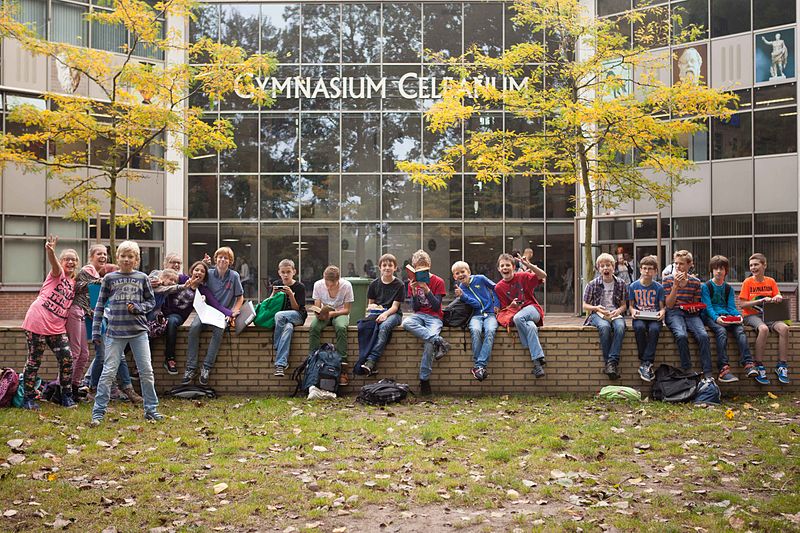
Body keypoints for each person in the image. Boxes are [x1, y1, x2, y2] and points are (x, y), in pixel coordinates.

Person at [90, 240, 163, 425]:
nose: (126, 259)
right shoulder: (109, 278)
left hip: (138, 332)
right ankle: (98, 413)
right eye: (123, 256)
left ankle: (151, 410)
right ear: (118, 257)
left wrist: (138, 308)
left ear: (136, 259)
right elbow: (99, 305)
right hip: (115, 332)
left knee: (146, 371)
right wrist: (96, 331)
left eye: (131, 256)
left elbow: (151, 302)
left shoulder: (142, 278)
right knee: (108, 372)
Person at [20, 236, 77, 410]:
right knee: (34, 360)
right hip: (37, 321)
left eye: (74, 259)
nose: (70, 262)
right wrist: (50, 252)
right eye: (67, 259)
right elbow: (54, 264)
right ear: (61, 262)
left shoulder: (74, 283)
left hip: (57, 327)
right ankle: (27, 399)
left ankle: (65, 396)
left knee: (67, 358)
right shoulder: (57, 274)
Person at [183, 247, 244, 386]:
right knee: (194, 327)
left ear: (230, 261)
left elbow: (240, 297)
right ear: (215, 259)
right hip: (205, 311)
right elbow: (193, 278)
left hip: (222, 313)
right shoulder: (208, 273)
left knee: (219, 331)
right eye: (220, 257)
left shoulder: (234, 276)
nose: (222, 260)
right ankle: (190, 368)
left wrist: (234, 312)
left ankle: (206, 368)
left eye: (226, 258)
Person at [701, 255, 755, 383]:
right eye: (716, 268)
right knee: (721, 332)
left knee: (740, 331)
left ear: (726, 271)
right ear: (712, 270)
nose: (719, 271)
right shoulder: (706, 286)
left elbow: (731, 307)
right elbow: (708, 307)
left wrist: (738, 316)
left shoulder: (728, 288)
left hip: (726, 316)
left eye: (722, 268)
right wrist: (716, 319)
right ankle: (723, 369)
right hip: (711, 317)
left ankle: (748, 364)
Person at [402, 250, 449, 396]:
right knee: (406, 323)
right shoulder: (412, 284)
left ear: (429, 266)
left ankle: (424, 379)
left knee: (429, 343)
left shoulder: (438, 281)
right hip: (419, 315)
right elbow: (415, 308)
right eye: (418, 267)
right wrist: (415, 293)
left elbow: (436, 307)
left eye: (423, 267)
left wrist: (427, 289)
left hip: (434, 317)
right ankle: (440, 341)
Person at [739, 253, 790, 385]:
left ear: (764, 265)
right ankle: (759, 365)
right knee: (763, 329)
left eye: (756, 264)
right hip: (751, 316)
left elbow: (777, 293)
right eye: (751, 265)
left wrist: (778, 297)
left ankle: (782, 366)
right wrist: (760, 300)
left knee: (784, 328)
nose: (753, 268)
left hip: (770, 315)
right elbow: (742, 304)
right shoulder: (747, 282)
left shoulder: (771, 281)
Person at [663, 250, 714, 381]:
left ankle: (708, 372)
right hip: (674, 312)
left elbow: (697, 302)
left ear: (689, 265)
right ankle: (687, 369)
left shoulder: (695, 282)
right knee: (681, 335)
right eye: (676, 264)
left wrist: (693, 308)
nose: (678, 267)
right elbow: (668, 304)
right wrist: (675, 286)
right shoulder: (668, 280)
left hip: (690, 314)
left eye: (681, 264)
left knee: (703, 336)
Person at [495, 252, 547, 377]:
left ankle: (530, 349)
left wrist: (529, 265)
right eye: (502, 266)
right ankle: (538, 363)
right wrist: (511, 306)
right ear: (498, 269)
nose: (505, 268)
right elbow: (504, 309)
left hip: (533, 310)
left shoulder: (523, 276)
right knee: (531, 327)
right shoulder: (499, 287)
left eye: (508, 265)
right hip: (519, 316)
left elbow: (543, 275)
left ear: (513, 267)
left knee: (519, 318)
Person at [159, 261, 210, 375]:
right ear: (191, 271)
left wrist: (231, 313)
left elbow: (216, 304)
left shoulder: (202, 290)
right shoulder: (182, 279)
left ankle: (170, 359)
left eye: (202, 271)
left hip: (177, 316)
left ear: (205, 276)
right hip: (162, 311)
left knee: (171, 321)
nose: (199, 272)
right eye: (196, 270)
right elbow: (165, 274)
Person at [582, 253, 628, 380]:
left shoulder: (621, 283)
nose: (605, 268)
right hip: (598, 314)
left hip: (614, 313)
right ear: (598, 269)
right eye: (602, 266)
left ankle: (610, 363)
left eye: (608, 265)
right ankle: (611, 364)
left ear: (613, 267)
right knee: (605, 327)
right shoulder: (592, 284)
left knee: (620, 327)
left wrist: (618, 311)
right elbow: (585, 305)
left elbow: (624, 305)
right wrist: (596, 308)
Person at [452, 260, 499, 381]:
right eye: (457, 273)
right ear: (454, 276)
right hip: (476, 315)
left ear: (469, 272)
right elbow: (476, 305)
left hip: (490, 314)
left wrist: (496, 304)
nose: (461, 275)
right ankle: (480, 367)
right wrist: (463, 296)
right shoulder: (461, 289)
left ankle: (478, 366)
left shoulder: (480, 279)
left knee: (490, 331)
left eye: (463, 271)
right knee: (475, 330)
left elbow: (496, 288)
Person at [360, 254, 404, 376]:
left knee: (384, 327)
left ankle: (371, 361)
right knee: (364, 327)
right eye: (384, 265)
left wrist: (385, 314)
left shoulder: (399, 285)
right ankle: (364, 358)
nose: (387, 268)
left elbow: (395, 307)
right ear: (380, 267)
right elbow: (370, 305)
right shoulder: (374, 284)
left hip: (394, 314)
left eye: (390, 265)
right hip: (377, 313)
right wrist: (373, 308)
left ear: (395, 268)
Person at [309, 265, 354, 385]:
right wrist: (318, 313)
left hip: (339, 313)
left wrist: (333, 313)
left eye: (332, 285)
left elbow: (347, 310)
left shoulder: (346, 286)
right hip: (325, 314)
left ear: (338, 280)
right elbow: (317, 306)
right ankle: (312, 359)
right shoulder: (318, 285)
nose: (329, 287)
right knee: (314, 327)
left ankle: (343, 366)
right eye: (327, 284)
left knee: (340, 327)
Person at [628, 256, 665, 382]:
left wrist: (662, 312)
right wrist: (633, 311)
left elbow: (661, 307)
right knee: (639, 327)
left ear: (655, 271)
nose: (647, 271)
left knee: (654, 329)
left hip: (653, 316)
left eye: (650, 269)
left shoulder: (659, 287)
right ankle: (646, 362)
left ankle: (646, 362)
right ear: (640, 270)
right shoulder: (633, 286)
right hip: (640, 315)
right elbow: (631, 306)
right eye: (644, 268)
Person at [272, 259, 307, 377]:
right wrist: (273, 294)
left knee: (279, 315)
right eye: (283, 272)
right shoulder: (277, 283)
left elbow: (297, 309)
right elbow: (270, 304)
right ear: (279, 272)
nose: (285, 275)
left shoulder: (299, 287)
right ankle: (281, 364)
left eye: (288, 272)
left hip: (298, 316)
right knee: (288, 328)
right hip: (284, 321)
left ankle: (277, 346)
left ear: (294, 272)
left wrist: (291, 295)